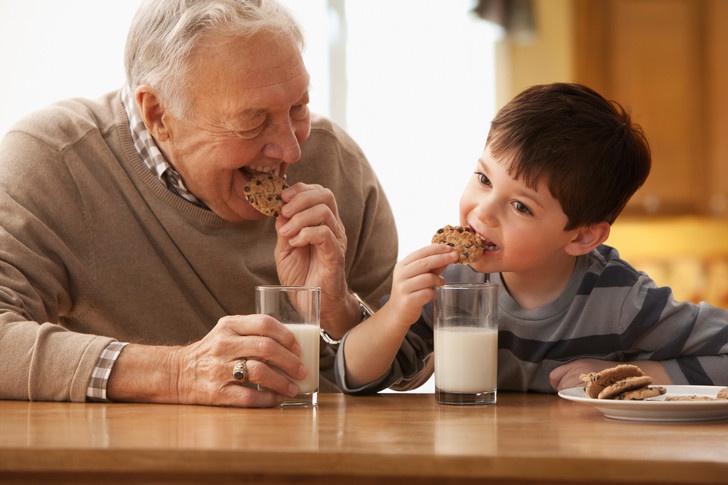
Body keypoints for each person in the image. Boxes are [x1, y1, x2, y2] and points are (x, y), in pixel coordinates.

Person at [0, 0, 397, 407]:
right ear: (158, 115)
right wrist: (176, 373)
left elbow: (414, 362)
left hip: (321, 463)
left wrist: (340, 312)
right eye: (253, 120)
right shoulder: (56, 160)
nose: (291, 151)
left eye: (298, 107)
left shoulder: (335, 162)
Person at [335, 82, 728, 394]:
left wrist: (633, 373)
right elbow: (358, 378)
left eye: (521, 207)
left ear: (582, 236)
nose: (483, 211)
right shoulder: (451, 281)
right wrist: (396, 312)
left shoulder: (620, 298)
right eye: (484, 179)